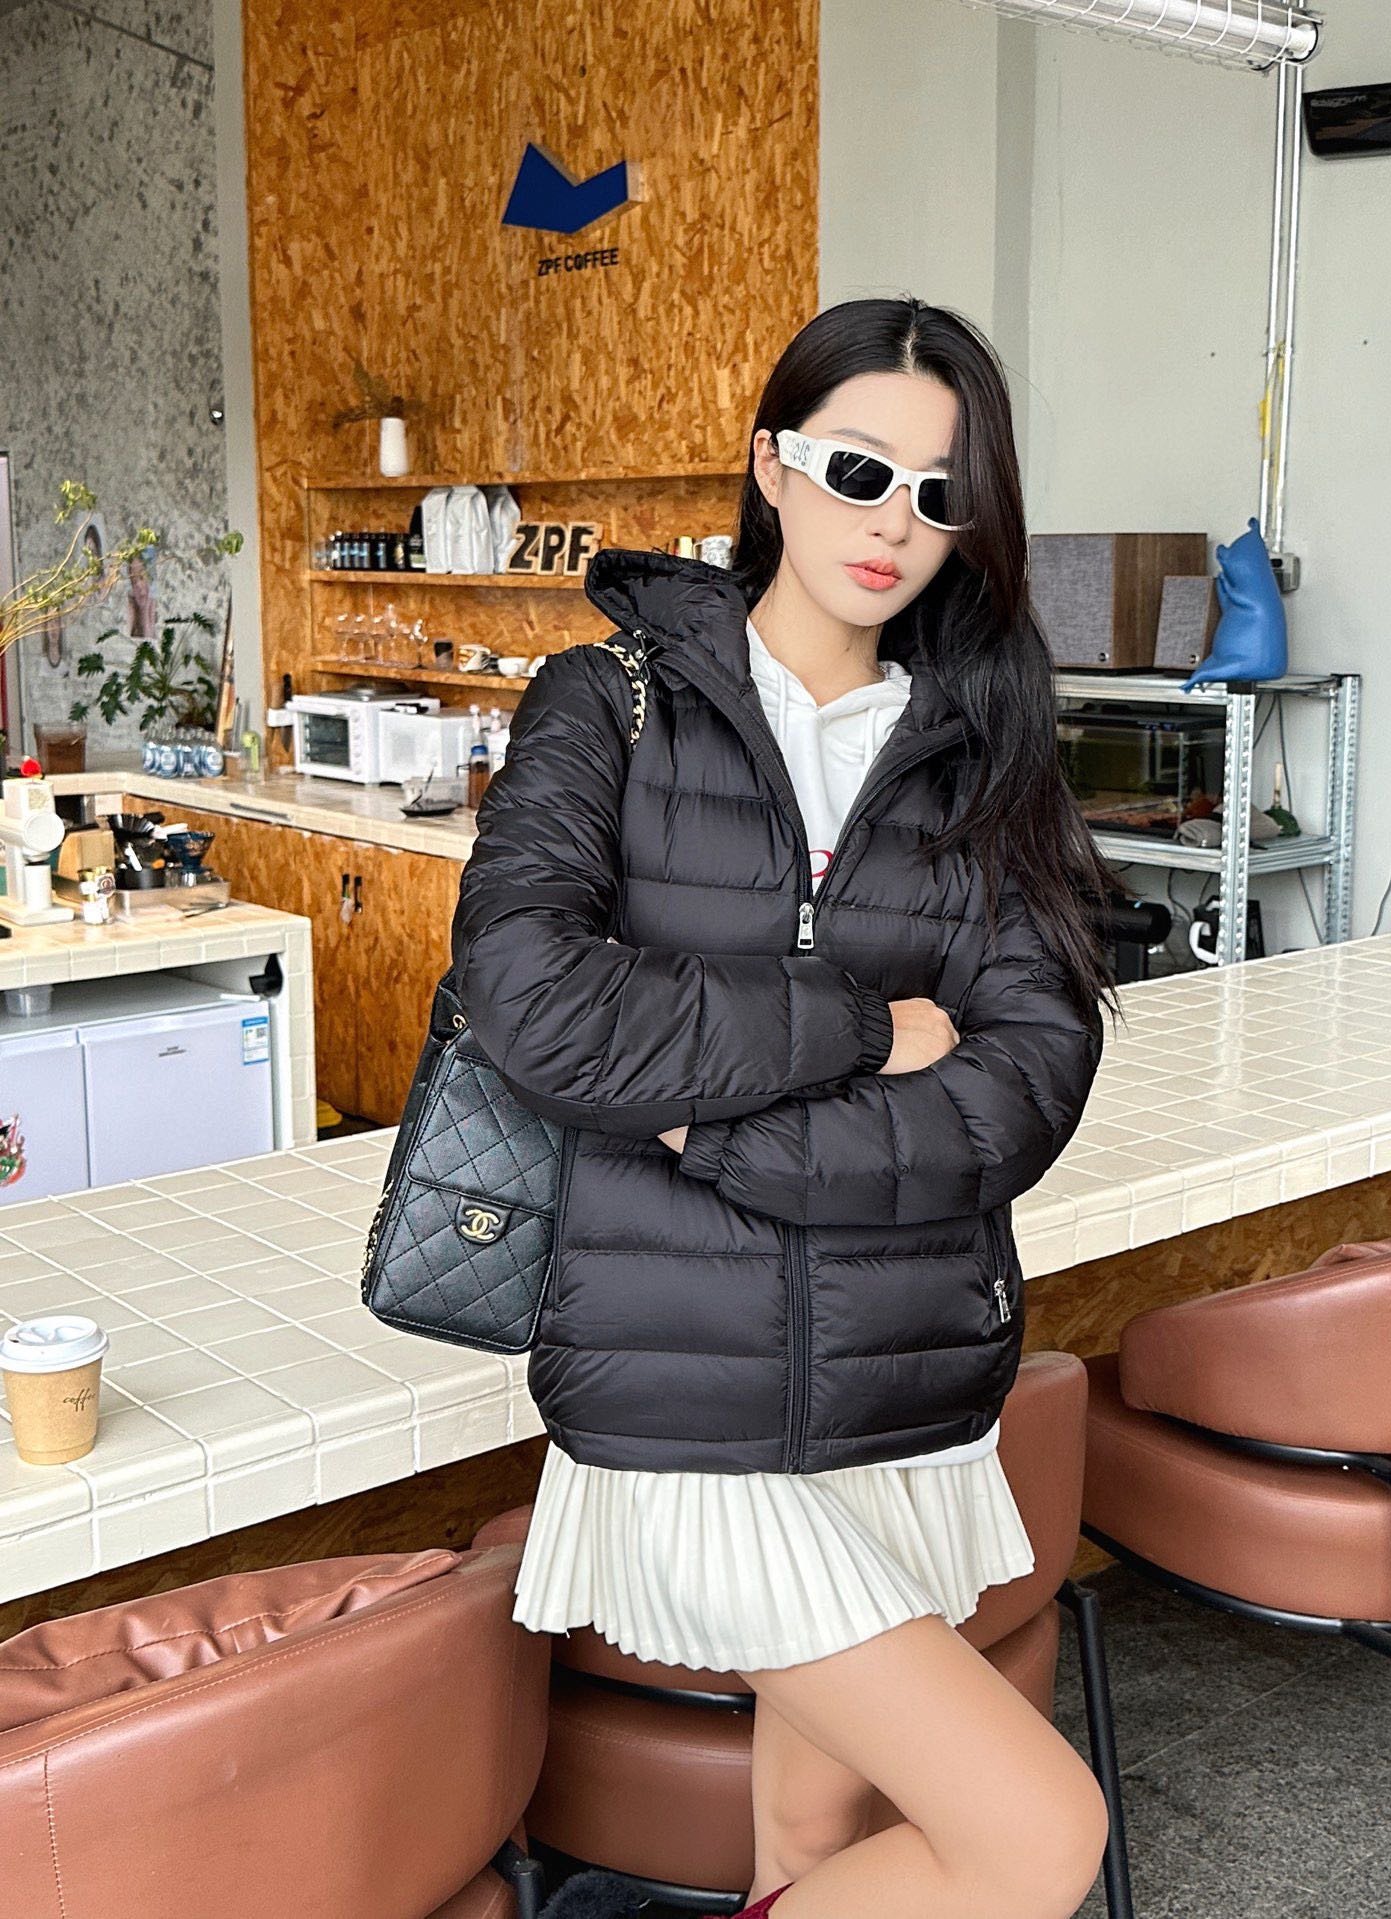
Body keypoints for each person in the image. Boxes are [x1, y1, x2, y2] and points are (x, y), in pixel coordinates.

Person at [451, 295, 1123, 1919]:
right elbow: (533, 1001)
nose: (893, 523)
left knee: (814, 1852)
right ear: (772, 463)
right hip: (684, 1398)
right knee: (1040, 1835)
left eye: (940, 494)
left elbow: (1021, 1090)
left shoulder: (983, 757)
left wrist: (713, 1126)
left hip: (903, 1384)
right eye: (857, 469)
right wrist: (855, 1025)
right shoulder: (604, 705)